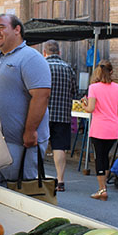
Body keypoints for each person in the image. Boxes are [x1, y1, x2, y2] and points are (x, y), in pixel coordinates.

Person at [0, 14, 51, 186]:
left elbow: (41, 96)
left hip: (21, 144)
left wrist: (30, 131)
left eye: (1, 27)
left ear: (17, 29)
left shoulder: (31, 58)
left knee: (22, 191)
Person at [81, 60, 118, 201]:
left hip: (99, 127)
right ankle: (103, 186)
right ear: (111, 72)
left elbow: (91, 108)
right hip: (113, 127)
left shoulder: (94, 87)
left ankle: (102, 189)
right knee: (105, 156)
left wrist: (83, 105)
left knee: (99, 157)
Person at [43, 39, 78, 192]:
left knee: (40, 145)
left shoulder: (42, 66)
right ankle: (60, 181)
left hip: (43, 114)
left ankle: (37, 177)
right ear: (59, 52)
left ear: (44, 52)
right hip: (63, 115)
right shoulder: (68, 68)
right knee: (59, 147)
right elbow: (74, 91)